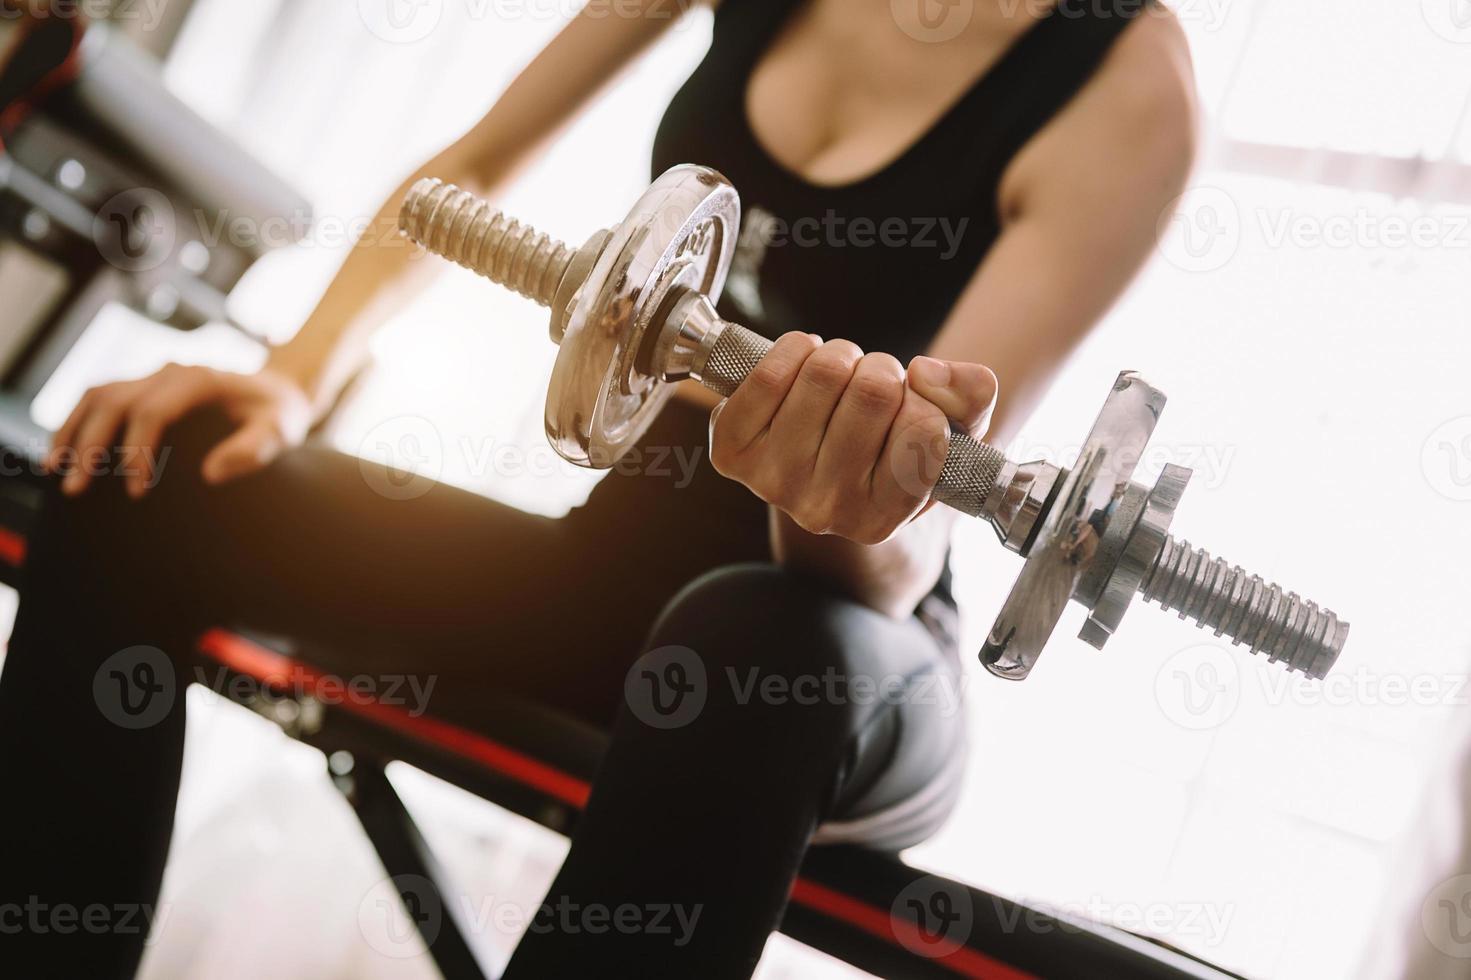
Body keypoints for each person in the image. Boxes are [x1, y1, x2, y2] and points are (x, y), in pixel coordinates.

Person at [0, 0, 1196, 975]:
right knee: (146, 469)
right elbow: (474, 163)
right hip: (607, 585)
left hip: (848, 648)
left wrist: (825, 498)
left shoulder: (1128, 82)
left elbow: (907, 541)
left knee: (746, 631)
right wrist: (294, 377)